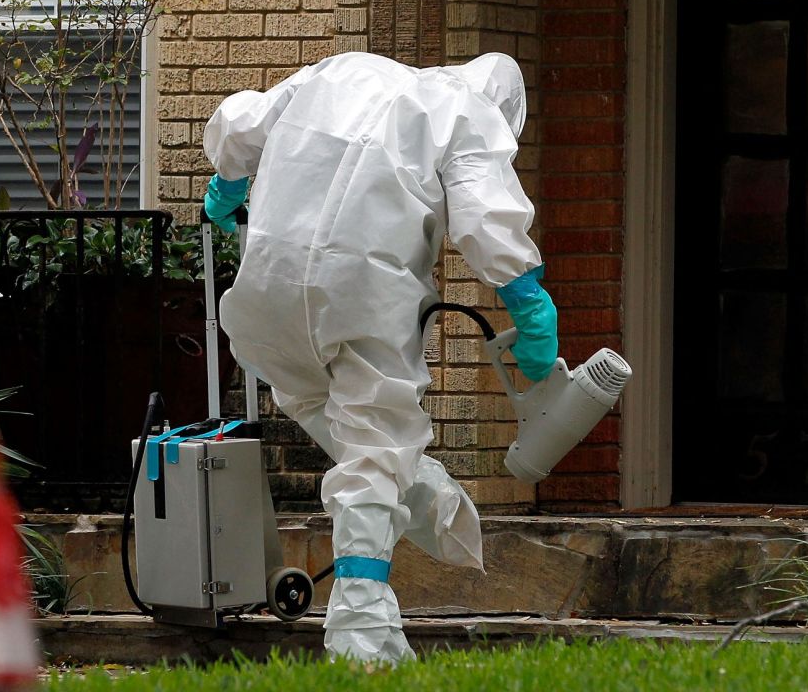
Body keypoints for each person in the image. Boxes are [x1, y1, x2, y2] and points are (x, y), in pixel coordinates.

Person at [201, 52, 558, 663]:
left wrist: (228, 182)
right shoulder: (466, 111)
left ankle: (412, 487)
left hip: (271, 279)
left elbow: (241, 122)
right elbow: (485, 215)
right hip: (364, 291)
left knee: (309, 396)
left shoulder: (342, 69)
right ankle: (360, 628)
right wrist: (527, 300)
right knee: (375, 441)